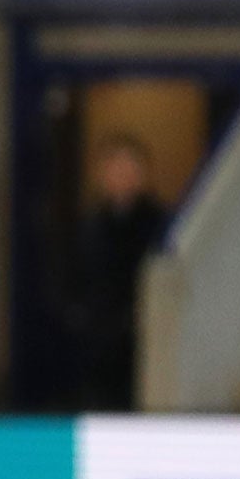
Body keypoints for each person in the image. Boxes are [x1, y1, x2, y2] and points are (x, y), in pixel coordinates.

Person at [67, 135, 168, 409]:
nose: (123, 176)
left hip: (139, 342)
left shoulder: (157, 225)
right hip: (97, 343)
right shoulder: (90, 225)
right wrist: (81, 316)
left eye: (130, 168)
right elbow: (74, 276)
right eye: (116, 168)